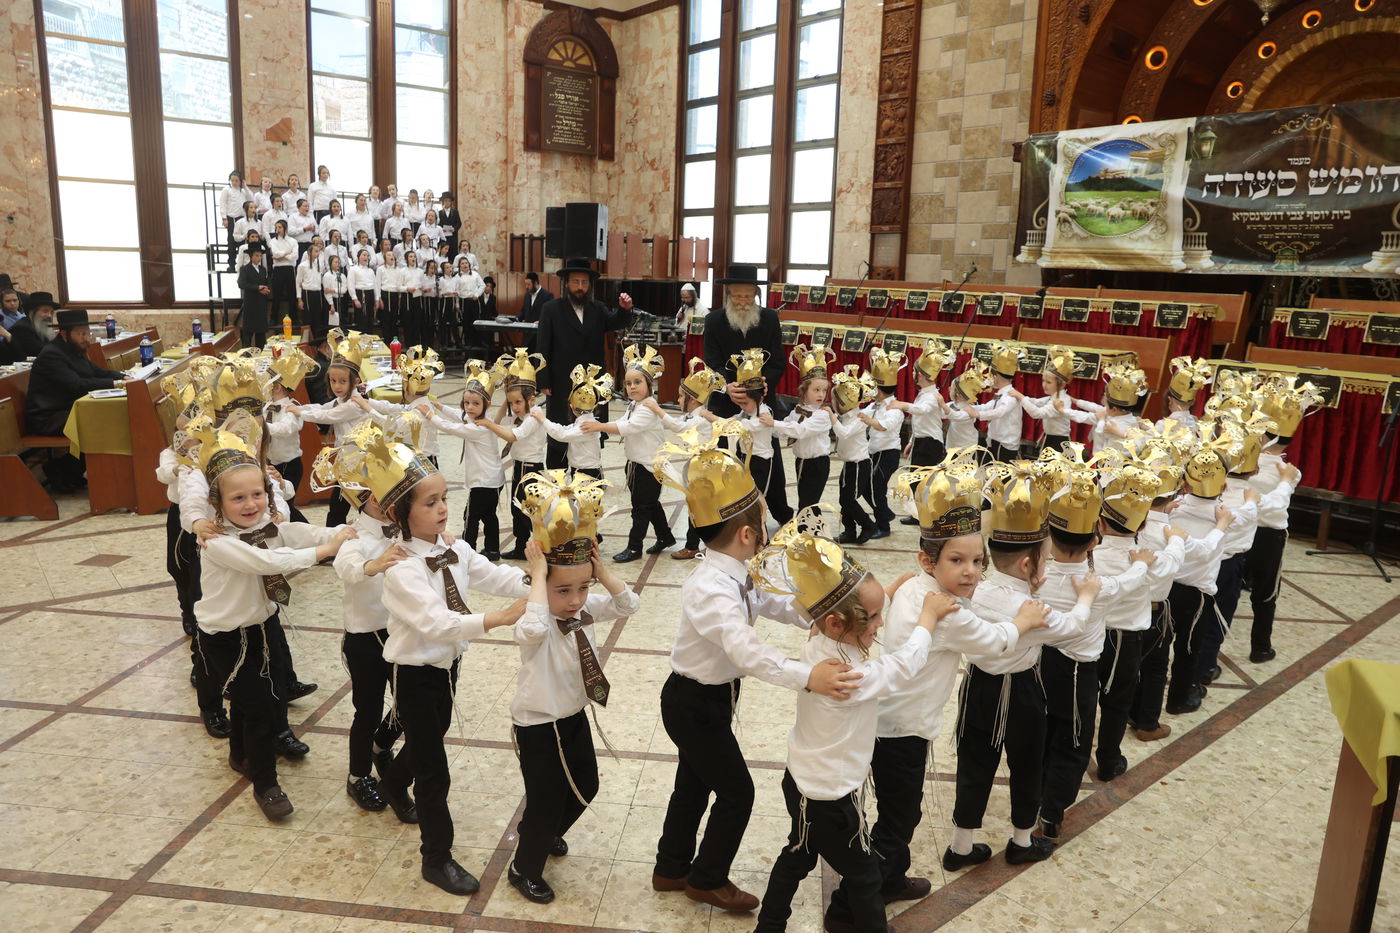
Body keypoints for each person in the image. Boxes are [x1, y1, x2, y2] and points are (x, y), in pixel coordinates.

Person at [650, 431, 863, 914]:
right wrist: (806, 675)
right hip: (691, 703)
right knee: (736, 791)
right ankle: (706, 878)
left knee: (694, 780)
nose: (767, 529)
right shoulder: (710, 588)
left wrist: (818, 613)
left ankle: (671, 865)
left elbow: (770, 602)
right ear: (747, 534)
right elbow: (746, 651)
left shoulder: (737, 571)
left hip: (709, 700)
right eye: (763, 523)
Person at [751, 520, 954, 933]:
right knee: (862, 877)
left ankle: (769, 926)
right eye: (875, 617)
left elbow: (839, 609)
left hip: (800, 783)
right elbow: (903, 665)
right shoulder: (849, 678)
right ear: (838, 624)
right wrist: (927, 620)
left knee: (797, 855)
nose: (881, 624)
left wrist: (887, 594)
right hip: (831, 802)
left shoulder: (817, 646)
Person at [378, 445, 529, 895]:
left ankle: (389, 778)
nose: (444, 508)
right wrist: (497, 618)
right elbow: (437, 623)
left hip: (447, 668)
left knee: (430, 737)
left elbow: (492, 574)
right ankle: (436, 857)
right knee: (434, 769)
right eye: (430, 502)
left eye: (445, 497)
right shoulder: (400, 568)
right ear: (400, 513)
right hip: (416, 674)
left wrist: (540, 576)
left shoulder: (453, 546)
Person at [188, 411, 354, 820]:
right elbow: (267, 562)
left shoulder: (264, 522)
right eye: (238, 498)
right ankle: (266, 782)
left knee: (253, 700)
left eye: (257, 495)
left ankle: (240, 754)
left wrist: (333, 535)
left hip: (260, 625)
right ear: (217, 503)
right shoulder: (218, 543)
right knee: (260, 708)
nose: (251, 505)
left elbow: (294, 532)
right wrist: (324, 552)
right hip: (224, 636)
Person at [946, 461, 1100, 869]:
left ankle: (961, 848)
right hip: (1022, 690)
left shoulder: (974, 588)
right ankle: (1020, 842)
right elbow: (1072, 627)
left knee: (974, 762)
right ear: (1030, 565)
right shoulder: (1031, 609)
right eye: (1044, 560)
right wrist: (1085, 595)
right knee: (1027, 765)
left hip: (978, 684)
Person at [508, 481, 640, 904]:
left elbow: (627, 605)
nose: (574, 600)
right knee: (545, 799)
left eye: (582, 589)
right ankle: (523, 866)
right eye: (563, 591)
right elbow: (529, 627)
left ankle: (543, 834)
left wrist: (598, 573)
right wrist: (539, 581)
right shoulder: (537, 619)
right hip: (537, 724)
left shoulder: (582, 608)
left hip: (573, 715)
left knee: (587, 784)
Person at [701, 265, 791, 508]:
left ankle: (780, 514)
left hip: (761, 406)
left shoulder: (770, 318)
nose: (743, 301)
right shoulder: (713, 320)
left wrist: (764, 384)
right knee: (725, 462)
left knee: (768, 462)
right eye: (738, 296)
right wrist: (726, 386)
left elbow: (778, 361)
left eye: (748, 296)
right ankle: (725, 514)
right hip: (725, 404)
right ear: (728, 295)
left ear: (755, 295)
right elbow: (711, 361)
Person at [535, 259, 636, 467]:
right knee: (559, 435)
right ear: (566, 284)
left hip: (592, 386)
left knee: (590, 431)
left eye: (584, 282)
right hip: (562, 382)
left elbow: (614, 321)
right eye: (575, 282)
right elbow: (542, 347)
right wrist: (543, 380)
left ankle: (588, 473)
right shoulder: (551, 309)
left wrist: (625, 309)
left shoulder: (597, 308)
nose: (580, 287)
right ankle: (557, 478)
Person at [582, 345, 674, 562]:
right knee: (650, 504)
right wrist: (601, 424)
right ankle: (665, 536)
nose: (632, 387)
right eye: (629, 383)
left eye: (638, 382)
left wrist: (599, 427)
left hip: (649, 468)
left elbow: (629, 427)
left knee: (640, 509)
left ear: (650, 384)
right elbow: (623, 421)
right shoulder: (635, 404)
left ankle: (634, 548)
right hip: (636, 464)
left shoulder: (648, 407)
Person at [25, 308, 127, 491]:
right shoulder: (52, 354)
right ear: (64, 334)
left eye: (87, 333)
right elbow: (76, 384)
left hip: (68, 409)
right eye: (81, 334)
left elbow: (96, 372)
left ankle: (69, 471)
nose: (86, 338)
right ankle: (63, 469)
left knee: (105, 418)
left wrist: (123, 377)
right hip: (48, 417)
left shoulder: (74, 349)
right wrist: (116, 383)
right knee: (99, 423)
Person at [431, 361, 508, 558]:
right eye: (467, 403)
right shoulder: (480, 418)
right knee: (489, 516)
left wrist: (430, 415)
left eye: (475, 403)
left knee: (470, 517)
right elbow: (461, 416)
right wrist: (441, 406)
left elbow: (452, 427)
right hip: (494, 480)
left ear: (487, 404)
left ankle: (467, 551)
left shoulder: (479, 428)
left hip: (482, 482)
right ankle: (492, 549)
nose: (470, 407)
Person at [495, 350, 549, 560]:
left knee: (530, 511)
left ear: (532, 399)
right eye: (512, 403)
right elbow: (500, 422)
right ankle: (520, 546)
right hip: (520, 466)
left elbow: (514, 436)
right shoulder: (520, 415)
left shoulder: (534, 416)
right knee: (516, 510)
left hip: (532, 469)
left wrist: (488, 424)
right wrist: (505, 401)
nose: (514, 407)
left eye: (518, 402)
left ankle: (543, 545)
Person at [770, 349, 834, 513]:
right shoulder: (797, 411)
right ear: (803, 390)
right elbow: (784, 431)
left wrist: (774, 423)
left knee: (808, 504)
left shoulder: (823, 415)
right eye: (816, 390)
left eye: (824, 390)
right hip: (801, 462)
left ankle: (808, 532)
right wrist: (767, 426)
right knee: (805, 502)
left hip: (817, 464)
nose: (821, 394)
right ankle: (808, 531)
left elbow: (800, 431)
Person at [1012, 347, 1095, 453]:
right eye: (1043, 381)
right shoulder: (1054, 397)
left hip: (1059, 443)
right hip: (1050, 439)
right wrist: (1019, 397)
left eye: (1048, 382)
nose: (1044, 385)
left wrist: (1021, 397)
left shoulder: (1060, 401)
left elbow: (1037, 413)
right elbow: (1037, 402)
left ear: (1061, 384)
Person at [864, 348, 906, 539]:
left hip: (888, 454)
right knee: (865, 486)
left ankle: (883, 527)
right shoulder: (874, 404)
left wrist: (867, 420)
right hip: (873, 451)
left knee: (877, 489)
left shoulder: (894, 408)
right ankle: (886, 513)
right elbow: (862, 413)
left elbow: (884, 426)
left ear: (880, 389)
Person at [964, 343, 1024, 463]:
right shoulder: (1001, 393)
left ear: (995, 378)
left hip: (1005, 445)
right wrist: (968, 407)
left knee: (1000, 478)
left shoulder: (1011, 396)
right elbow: (989, 406)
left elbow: (1000, 412)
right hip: (995, 441)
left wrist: (978, 415)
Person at [237, 243, 273, 349]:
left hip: (261, 304)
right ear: (251, 256)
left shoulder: (262, 269)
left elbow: (265, 283)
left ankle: (260, 353)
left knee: (261, 334)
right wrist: (257, 288)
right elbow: (241, 284)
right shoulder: (245, 269)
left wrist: (265, 289)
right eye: (257, 255)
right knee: (248, 333)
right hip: (250, 304)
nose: (259, 258)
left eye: (260, 256)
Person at [4, 290, 57, 360]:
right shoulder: (21, 328)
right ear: (32, 313)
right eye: (45, 311)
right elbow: (40, 351)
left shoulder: (41, 327)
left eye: (51, 312)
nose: (49, 315)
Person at [219, 170, 255, 271]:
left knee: (242, 242)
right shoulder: (226, 190)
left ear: (240, 181)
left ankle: (243, 264)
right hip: (231, 218)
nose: (234, 182)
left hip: (242, 218)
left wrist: (245, 187)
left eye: (236, 180)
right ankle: (231, 264)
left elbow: (251, 198)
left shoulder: (243, 191)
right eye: (232, 180)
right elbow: (223, 204)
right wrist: (224, 218)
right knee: (231, 242)